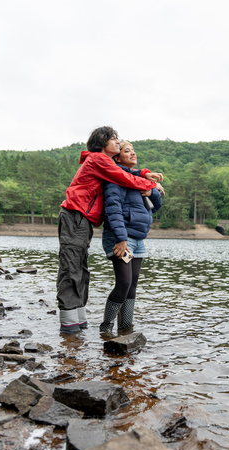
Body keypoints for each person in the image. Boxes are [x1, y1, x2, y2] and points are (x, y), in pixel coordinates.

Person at [56, 126, 163, 334]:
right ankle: (71, 323)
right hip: (75, 214)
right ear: (102, 142)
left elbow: (128, 172)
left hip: (83, 218)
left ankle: (79, 320)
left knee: (80, 267)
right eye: (113, 139)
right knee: (71, 266)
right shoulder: (98, 159)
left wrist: (145, 176)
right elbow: (125, 177)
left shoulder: (104, 163)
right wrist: (149, 185)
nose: (117, 141)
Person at [100, 141, 163, 335]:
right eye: (127, 151)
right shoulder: (115, 179)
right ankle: (106, 327)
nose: (133, 153)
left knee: (132, 285)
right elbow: (113, 210)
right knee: (124, 282)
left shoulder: (139, 179)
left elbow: (157, 206)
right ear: (117, 158)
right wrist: (121, 239)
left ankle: (125, 327)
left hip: (138, 239)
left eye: (134, 151)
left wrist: (153, 192)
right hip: (121, 239)